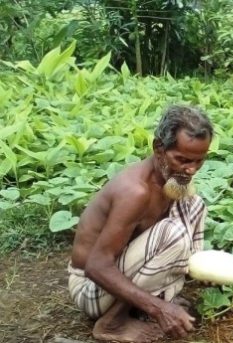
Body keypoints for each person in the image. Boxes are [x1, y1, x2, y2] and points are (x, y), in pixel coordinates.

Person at [68, 105, 213, 342]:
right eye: (183, 159)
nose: (191, 169)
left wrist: (203, 269)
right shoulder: (135, 192)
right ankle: (113, 321)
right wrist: (158, 308)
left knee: (193, 203)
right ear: (159, 148)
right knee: (172, 233)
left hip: (122, 274)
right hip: (90, 289)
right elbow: (96, 266)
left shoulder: (171, 180)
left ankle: (159, 295)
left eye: (199, 161)